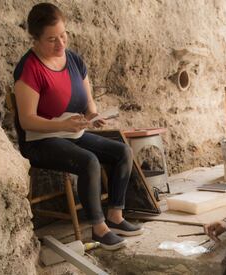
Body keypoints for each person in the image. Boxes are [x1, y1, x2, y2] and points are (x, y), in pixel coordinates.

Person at [13, 2, 143, 250]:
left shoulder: (73, 59)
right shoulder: (29, 67)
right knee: (89, 161)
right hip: (40, 140)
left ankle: (115, 217)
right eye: (52, 39)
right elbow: (26, 120)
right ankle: (99, 229)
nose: (61, 44)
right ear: (36, 39)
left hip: (72, 132)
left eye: (63, 35)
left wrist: (93, 115)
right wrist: (61, 124)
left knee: (123, 152)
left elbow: (88, 102)